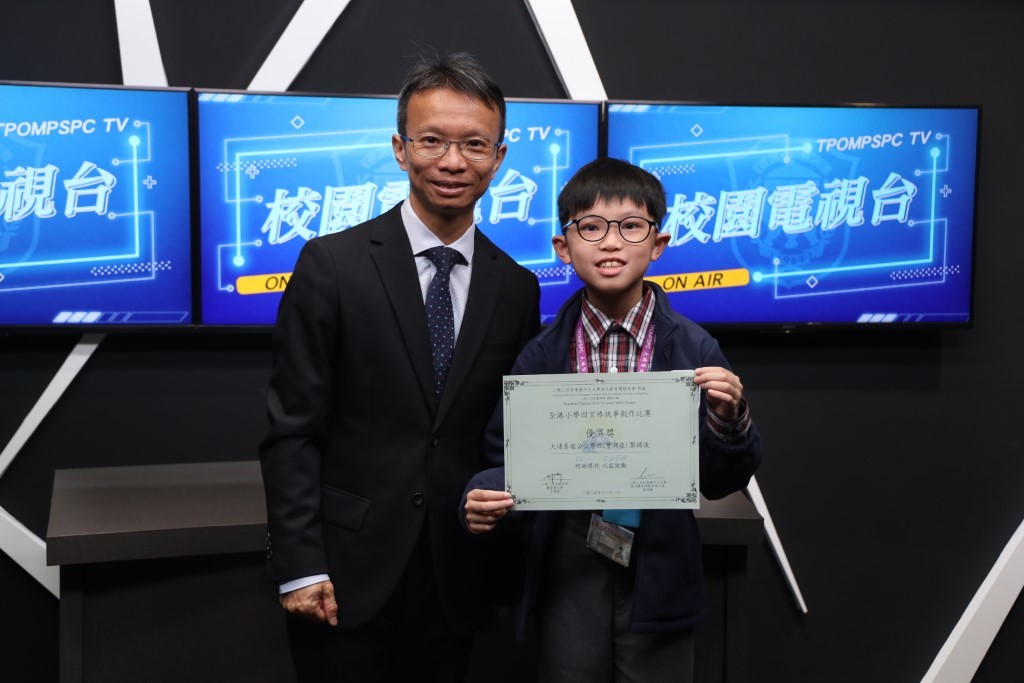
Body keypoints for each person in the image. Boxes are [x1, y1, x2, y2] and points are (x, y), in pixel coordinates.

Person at [259, 51, 540, 682]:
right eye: (432, 140)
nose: (452, 161)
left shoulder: (516, 287)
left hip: (456, 578)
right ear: (399, 148)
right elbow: (292, 430)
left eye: (474, 144)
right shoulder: (331, 265)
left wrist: (500, 566)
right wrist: (300, 566)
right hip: (341, 575)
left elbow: (507, 437)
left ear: (498, 157)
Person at [462, 157, 762, 683]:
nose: (611, 243)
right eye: (591, 228)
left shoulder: (695, 348)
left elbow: (721, 480)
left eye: (631, 227)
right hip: (568, 564)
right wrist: (485, 494)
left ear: (658, 244)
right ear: (563, 248)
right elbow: (504, 457)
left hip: (660, 563)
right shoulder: (540, 353)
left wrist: (729, 418)